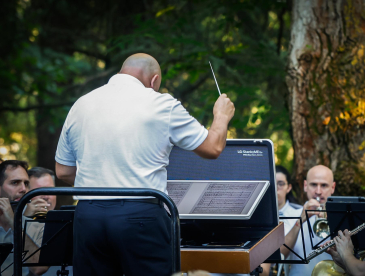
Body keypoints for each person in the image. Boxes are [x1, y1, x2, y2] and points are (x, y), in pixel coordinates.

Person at [55, 53, 235, 276]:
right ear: (154, 81)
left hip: (88, 217)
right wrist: (221, 116)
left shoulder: (81, 104)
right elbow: (213, 148)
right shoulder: (160, 103)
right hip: (140, 216)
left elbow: (63, 171)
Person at [280, 165, 336, 276]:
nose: (318, 191)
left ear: (332, 188)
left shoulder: (342, 217)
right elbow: (280, 255)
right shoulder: (290, 215)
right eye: (314, 184)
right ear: (305, 186)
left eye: (324, 185)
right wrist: (299, 221)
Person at [0, 160, 44, 276]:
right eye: (15, 183)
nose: (23, 189)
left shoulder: (34, 221)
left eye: (26, 183)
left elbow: (39, 268)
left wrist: (15, 222)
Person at [261, 165, 301, 276]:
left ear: (289, 187)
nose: (276, 187)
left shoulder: (299, 213)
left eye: (281, 184)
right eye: (272, 183)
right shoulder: (259, 216)